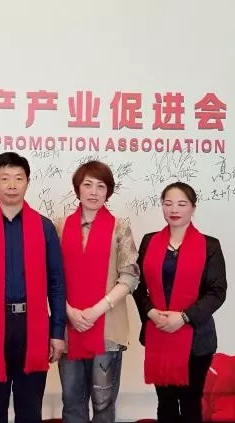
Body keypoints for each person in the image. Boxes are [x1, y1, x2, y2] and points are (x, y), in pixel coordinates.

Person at [0, 152, 67, 423]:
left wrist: (57, 332)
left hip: (34, 325)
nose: (12, 185)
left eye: (19, 178)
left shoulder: (44, 228)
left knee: (30, 410)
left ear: (28, 182)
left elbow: (56, 283)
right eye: (4, 178)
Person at [132, 182, 227, 423]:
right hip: (158, 332)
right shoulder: (149, 242)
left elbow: (217, 292)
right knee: (165, 402)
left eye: (182, 204)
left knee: (190, 402)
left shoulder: (210, 245)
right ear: (162, 206)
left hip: (197, 339)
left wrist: (184, 317)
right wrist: (150, 312)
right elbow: (137, 285)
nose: (174, 209)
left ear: (192, 208)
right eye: (168, 203)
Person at [56, 161, 139, 423]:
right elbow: (51, 277)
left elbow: (129, 276)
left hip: (107, 329)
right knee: (71, 401)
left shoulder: (119, 227)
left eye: (101, 186)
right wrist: (70, 311)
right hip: (69, 327)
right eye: (88, 185)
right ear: (77, 189)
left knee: (103, 403)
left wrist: (95, 310)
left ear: (108, 191)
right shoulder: (60, 226)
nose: (94, 192)